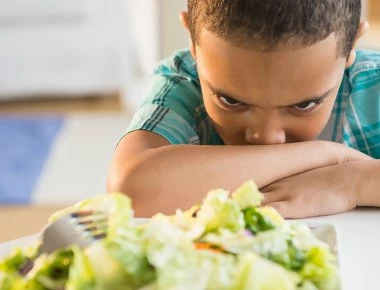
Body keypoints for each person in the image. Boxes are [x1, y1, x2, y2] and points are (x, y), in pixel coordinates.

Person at [108, 0, 380, 218]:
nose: (266, 138)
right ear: (192, 40)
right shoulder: (184, 84)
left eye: (304, 104)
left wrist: (351, 181)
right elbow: (129, 187)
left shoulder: (374, 84)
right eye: (231, 101)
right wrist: (327, 156)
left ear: (352, 45)